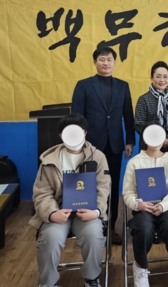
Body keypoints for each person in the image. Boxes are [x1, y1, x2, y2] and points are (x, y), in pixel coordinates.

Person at [30, 114, 111, 287]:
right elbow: (42, 193)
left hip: (88, 211)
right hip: (59, 212)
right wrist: (52, 213)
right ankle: (48, 283)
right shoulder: (49, 160)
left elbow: (103, 188)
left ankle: (91, 278)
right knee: (50, 239)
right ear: (61, 135)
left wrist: (96, 211)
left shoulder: (98, 157)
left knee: (93, 235)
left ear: (85, 133)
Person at [71, 45, 135, 245]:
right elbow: (77, 117)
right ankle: (91, 227)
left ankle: (111, 227)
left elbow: (128, 115)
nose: (106, 63)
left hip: (114, 145)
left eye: (109, 59)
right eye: (102, 59)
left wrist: (130, 141)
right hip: (91, 146)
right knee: (90, 186)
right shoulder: (84, 85)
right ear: (95, 62)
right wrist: (78, 143)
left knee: (112, 186)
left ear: (114, 62)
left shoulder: (123, 86)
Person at [123, 125, 168, 287]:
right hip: (143, 209)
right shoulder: (134, 162)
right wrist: (137, 204)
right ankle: (140, 266)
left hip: (166, 207)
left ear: (165, 139)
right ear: (145, 138)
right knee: (143, 228)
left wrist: (164, 205)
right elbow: (128, 193)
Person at [134, 61, 168, 158]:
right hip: (150, 148)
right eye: (158, 76)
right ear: (151, 78)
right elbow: (138, 125)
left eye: (165, 77)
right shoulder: (144, 99)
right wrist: (159, 138)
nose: (162, 80)